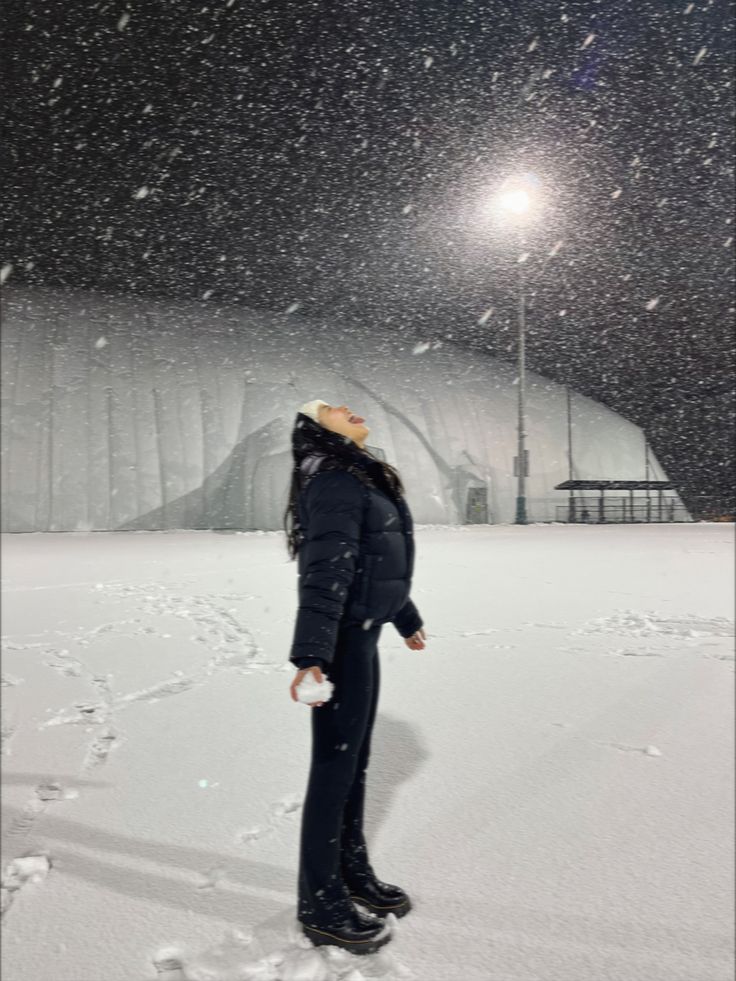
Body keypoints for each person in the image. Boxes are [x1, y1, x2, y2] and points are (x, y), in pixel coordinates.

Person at [283, 398, 427, 955]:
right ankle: (320, 903)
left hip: (361, 635)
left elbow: (377, 563)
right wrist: (312, 655)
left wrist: (405, 617)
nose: (352, 409)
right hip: (341, 642)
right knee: (334, 772)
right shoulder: (335, 481)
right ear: (317, 429)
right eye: (335, 408)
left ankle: (349, 872)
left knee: (355, 766)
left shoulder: (355, 475)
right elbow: (327, 570)